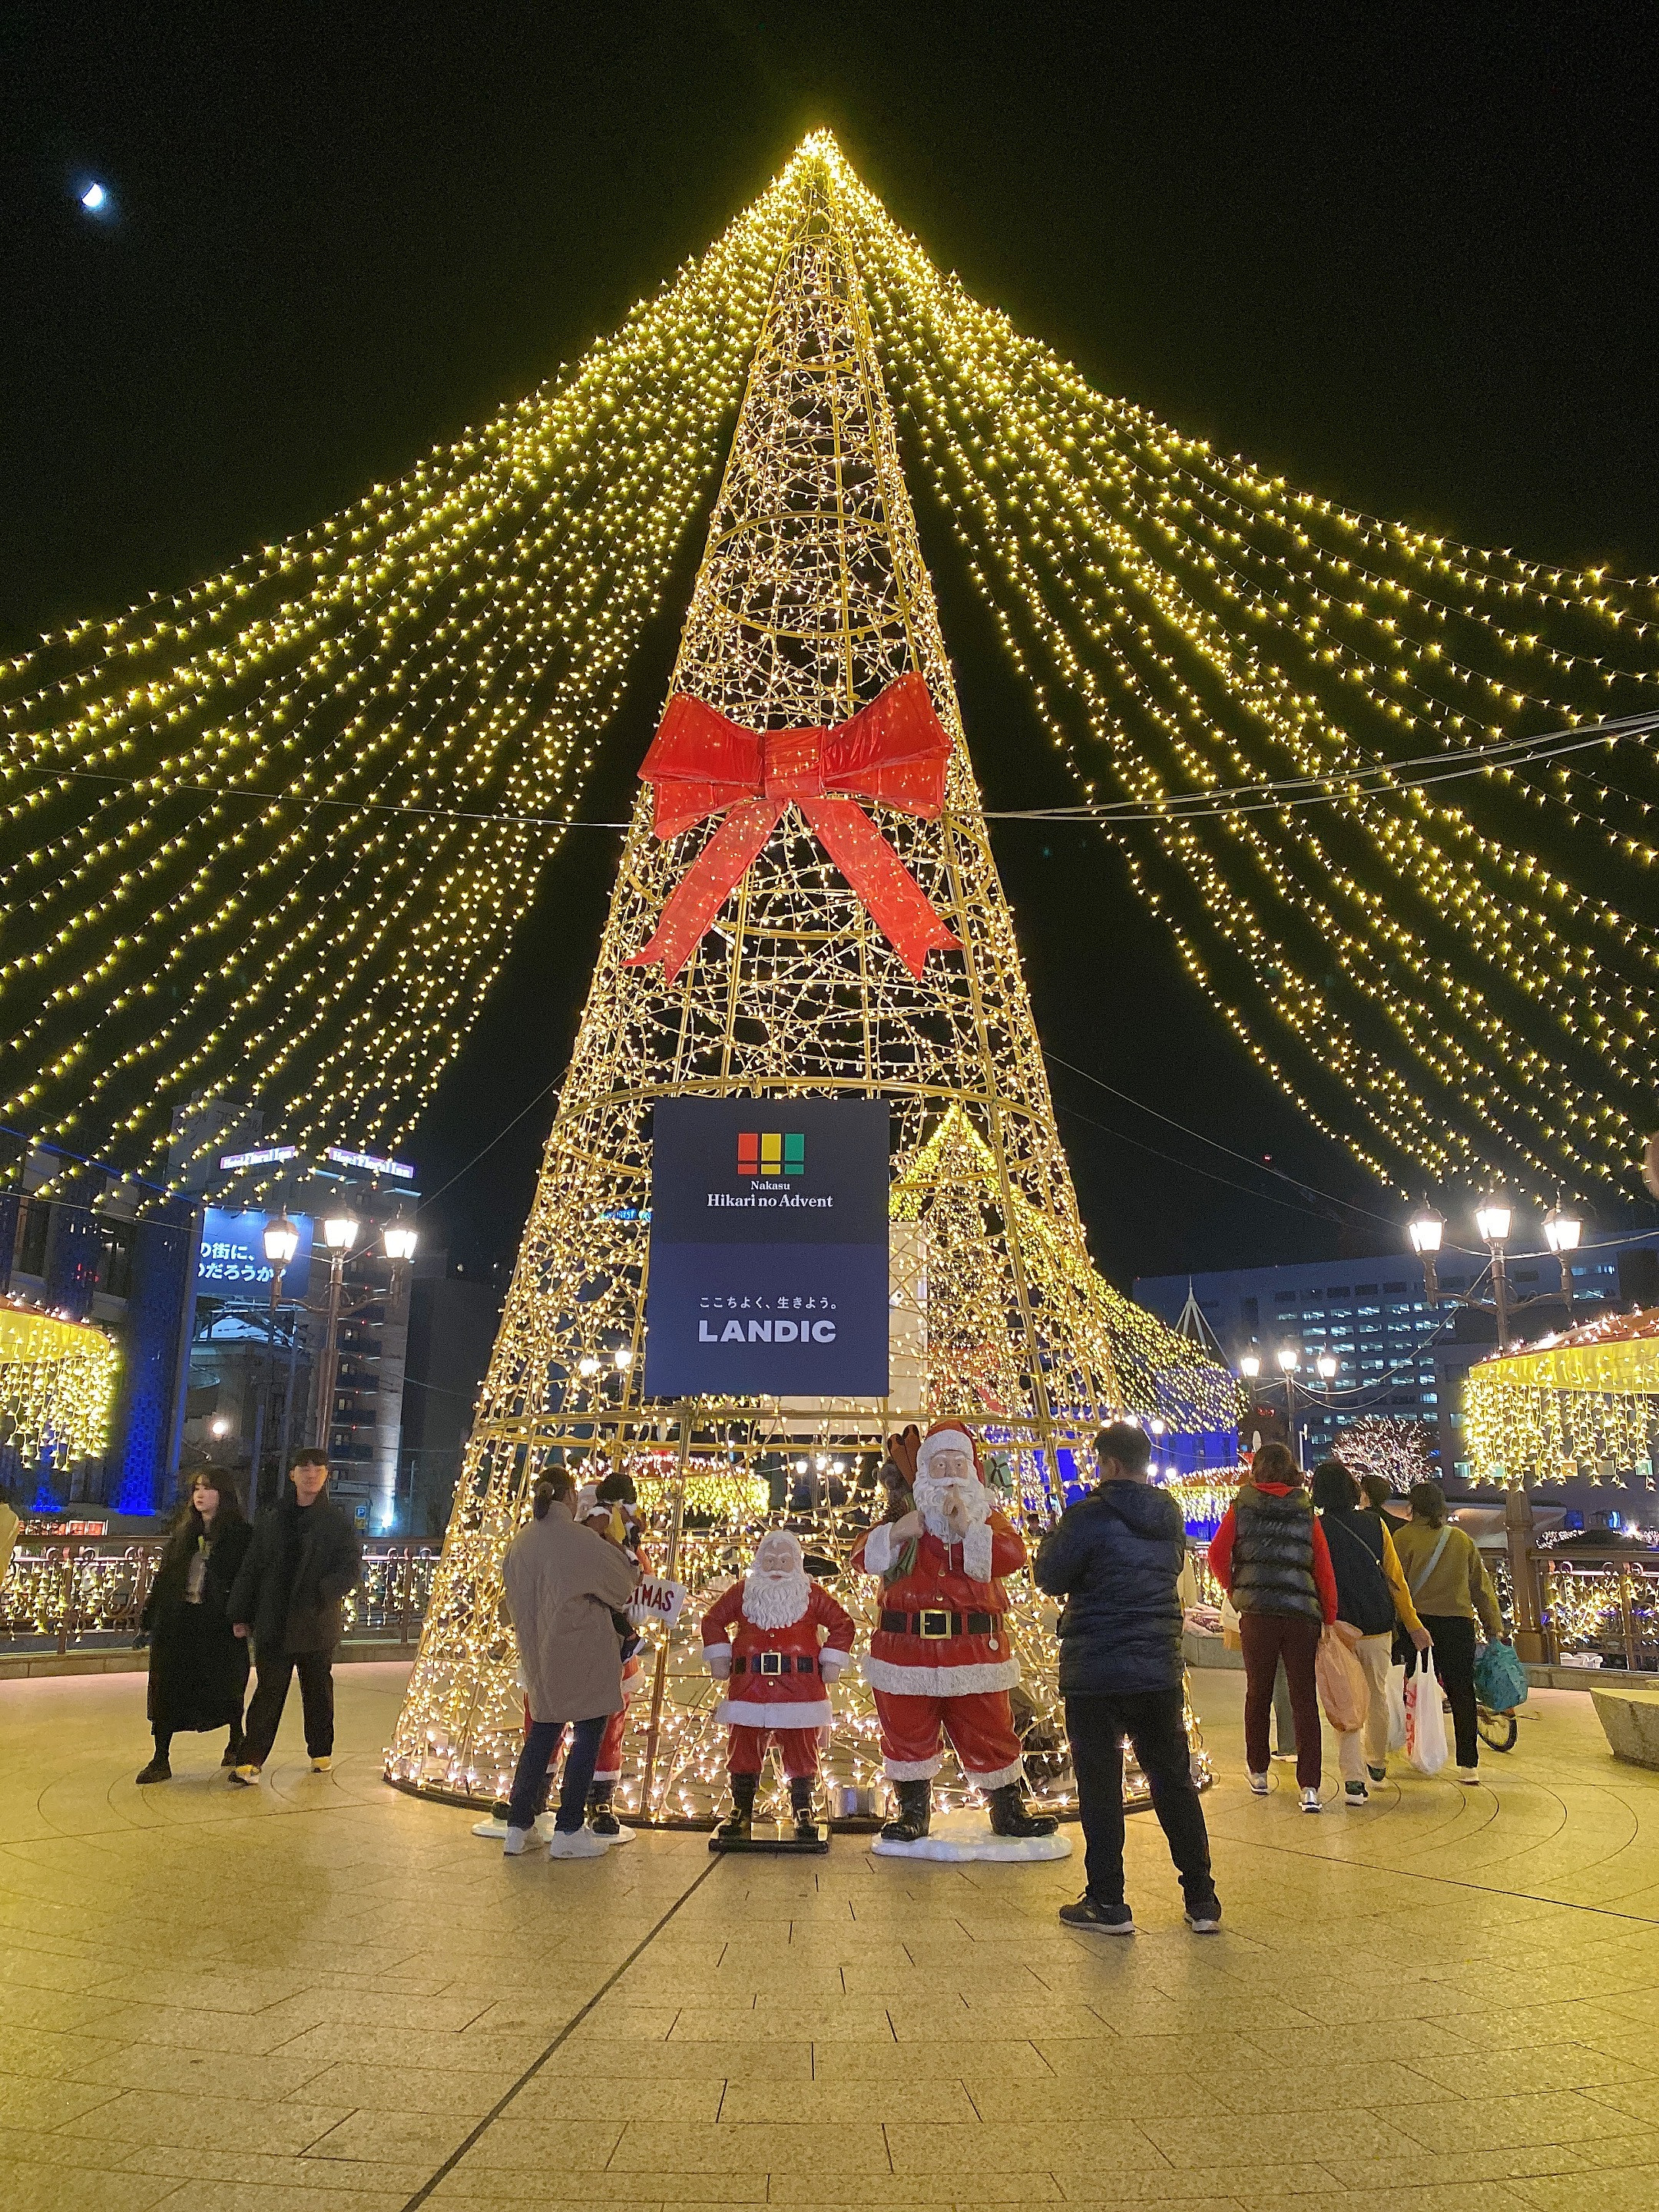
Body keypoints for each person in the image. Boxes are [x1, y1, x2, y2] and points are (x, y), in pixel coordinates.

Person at [1035, 1421, 1220, 1935]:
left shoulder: (1086, 1517)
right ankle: (1202, 1899)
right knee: (1173, 1783)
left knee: (1100, 1787)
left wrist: (1056, 1534)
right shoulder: (1169, 1516)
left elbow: (1048, 1574)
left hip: (1096, 1670)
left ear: (1110, 1463)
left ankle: (1108, 1901)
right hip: (1157, 1668)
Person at [500, 1469, 639, 1858]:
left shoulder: (521, 1542)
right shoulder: (579, 1540)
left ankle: (518, 1826)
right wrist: (619, 1543)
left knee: (540, 1739)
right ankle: (569, 1829)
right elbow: (622, 1584)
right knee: (587, 1738)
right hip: (583, 1652)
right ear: (569, 1496)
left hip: (538, 1654)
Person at [700, 1529, 856, 1839]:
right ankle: (741, 1809)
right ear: (758, 1562)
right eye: (769, 1560)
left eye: (784, 1561)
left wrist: (832, 1660)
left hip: (800, 1690)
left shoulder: (811, 1594)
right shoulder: (743, 1592)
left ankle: (803, 1810)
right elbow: (712, 1620)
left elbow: (842, 1624)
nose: (776, 1567)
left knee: (801, 1747)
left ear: (797, 1564)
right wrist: (719, 1655)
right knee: (743, 1745)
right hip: (749, 1689)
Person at [1209, 1442, 1338, 1811]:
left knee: (1257, 1692)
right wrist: (1328, 1614)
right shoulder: (1304, 1509)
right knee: (1303, 1698)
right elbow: (1322, 1566)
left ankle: (1259, 1771)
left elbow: (1218, 1555)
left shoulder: (1241, 1506)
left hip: (1258, 1616)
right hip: (1301, 1615)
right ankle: (1309, 1787)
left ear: (1258, 1470)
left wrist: (1237, 1590)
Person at [227, 1448, 363, 1785]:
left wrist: (322, 1592)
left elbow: (350, 1568)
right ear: (292, 1475)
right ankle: (251, 1759)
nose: (311, 1473)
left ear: (326, 1475)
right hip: (273, 1618)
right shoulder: (273, 1515)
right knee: (268, 1691)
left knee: (317, 1690)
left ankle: (320, 1750)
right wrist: (241, 1612)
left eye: (319, 1468)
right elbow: (253, 1565)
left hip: (315, 1619)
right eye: (304, 1467)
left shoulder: (336, 1521)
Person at [1310, 1459, 1430, 1803]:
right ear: (1352, 1490)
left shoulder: (1315, 1529)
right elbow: (1396, 1581)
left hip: (1337, 1626)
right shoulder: (1376, 1525)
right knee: (1376, 1693)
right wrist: (1413, 1623)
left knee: (1344, 1696)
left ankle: (1353, 1779)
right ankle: (1376, 1762)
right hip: (1378, 1623)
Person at [135, 1469, 253, 1783]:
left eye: (209, 1488)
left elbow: (248, 1580)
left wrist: (243, 1617)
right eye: (197, 1488)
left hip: (219, 1622)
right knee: (167, 1685)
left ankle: (235, 1737)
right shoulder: (184, 1532)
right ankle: (161, 1757)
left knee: (227, 1683)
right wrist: (150, 1617)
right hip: (178, 1620)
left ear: (224, 1494)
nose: (200, 1494)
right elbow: (165, 1576)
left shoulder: (241, 1535)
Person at [1389, 1479, 1507, 1783]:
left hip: (1417, 1625)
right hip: (1458, 1624)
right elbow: (1481, 1588)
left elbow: (1392, 1586)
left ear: (1412, 1507)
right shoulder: (1461, 1540)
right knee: (1461, 1692)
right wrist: (1494, 1626)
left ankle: (1418, 1749)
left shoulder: (1401, 1538)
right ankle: (1468, 1764)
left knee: (1416, 1688)